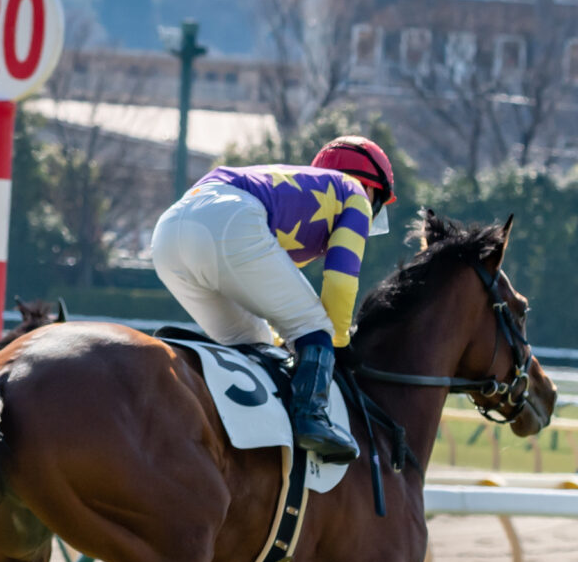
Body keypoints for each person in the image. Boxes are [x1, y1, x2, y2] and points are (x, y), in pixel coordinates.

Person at [148, 135, 397, 463]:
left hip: (167, 234)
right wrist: (335, 341)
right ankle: (312, 420)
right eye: (376, 205)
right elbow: (340, 281)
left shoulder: (298, 197)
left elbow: (270, 304)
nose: (371, 214)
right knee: (316, 325)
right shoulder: (354, 195)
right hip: (228, 219)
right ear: (370, 189)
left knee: (253, 340)